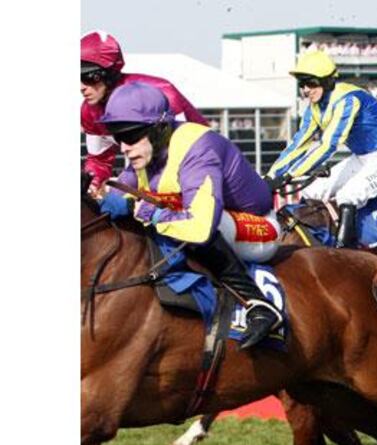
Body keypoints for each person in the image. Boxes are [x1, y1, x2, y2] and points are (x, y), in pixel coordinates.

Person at [97, 83, 282, 351]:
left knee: (197, 226)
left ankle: (258, 306)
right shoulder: (146, 151)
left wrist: (148, 212)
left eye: (131, 136)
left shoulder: (198, 149)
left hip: (257, 227)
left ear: (159, 130)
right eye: (118, 138)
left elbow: (200, 228)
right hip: (206, 218)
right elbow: (121, 196)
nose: (124, 147)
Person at [266, 50, 377, 248]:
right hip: (362, 158)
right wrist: (271, 176)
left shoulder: (348, 101)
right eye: (302, 84)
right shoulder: (314, 108)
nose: (306, 90)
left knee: (348, 195)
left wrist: (289, 175)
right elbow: (298, 144)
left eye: (311, 83)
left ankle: (346, 252)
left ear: (327, 82)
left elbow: (328, 145)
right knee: (312, 191)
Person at [81, 30, 207, 197]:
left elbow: (174, 157)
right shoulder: (89, 111)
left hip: (197, 161)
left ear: (110, 74)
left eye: (88, 77)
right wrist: (91, 186)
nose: (82, 87)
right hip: (151, 164)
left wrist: (126, 192)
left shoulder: (161, 94)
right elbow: (99, 160)